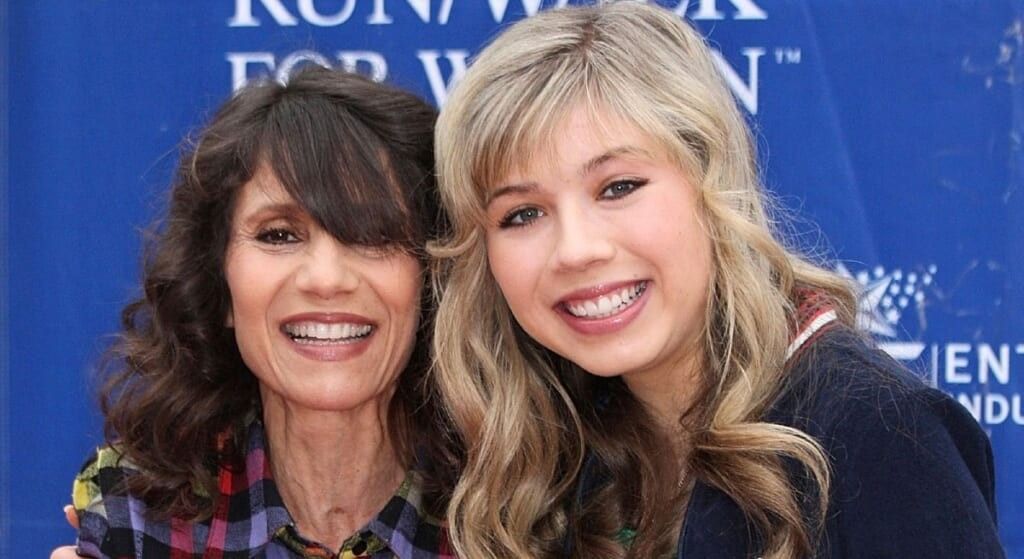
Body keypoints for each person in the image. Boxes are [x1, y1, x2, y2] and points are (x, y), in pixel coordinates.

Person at [429, 3, 1003, 558]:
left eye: (618, 187)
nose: (577, 250)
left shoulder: (880, 435)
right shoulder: (548, 446)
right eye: (522, 215)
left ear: (712, 181)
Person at [56, 66, 456, 558]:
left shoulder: (523, 508)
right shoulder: (138, 507)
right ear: (218, 287)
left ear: (433, 277)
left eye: (373, 234)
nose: (326, 279)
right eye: (279, 235)